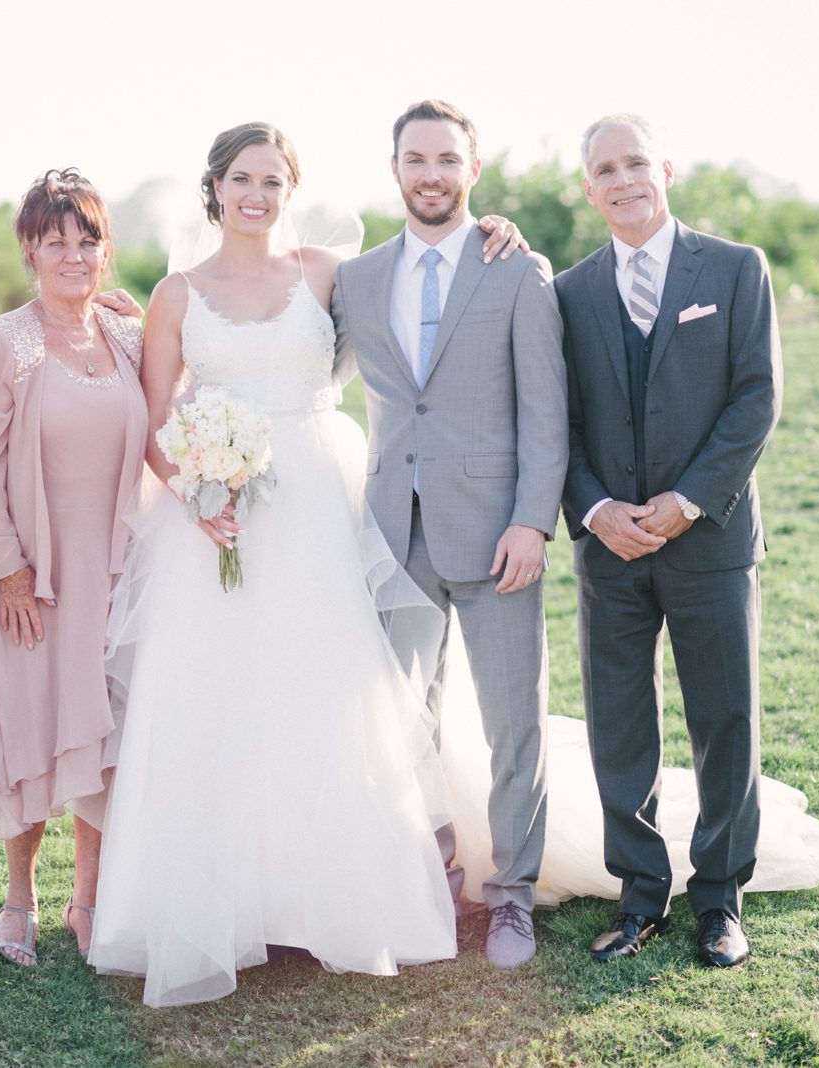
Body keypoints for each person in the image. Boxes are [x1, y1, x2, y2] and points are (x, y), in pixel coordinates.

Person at [86, 122, 529, 1007]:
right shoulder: (176, 295)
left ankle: (328, 897)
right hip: (217, 522)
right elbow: (152, 423)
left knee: (327, 693)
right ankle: (229, 904)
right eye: (241, 179)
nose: (257, 195)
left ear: (294, 189)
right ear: (213, 189)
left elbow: (421, 266)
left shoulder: (329, 274)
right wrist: (195, 496)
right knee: (217, 702)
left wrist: (495, 231)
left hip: (321, 506)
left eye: (273, 180)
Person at [330, 100, 567, 971]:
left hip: (500, 532)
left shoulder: (518, 269)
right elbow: (294, 362)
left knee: (513, 723)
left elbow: (547, 411)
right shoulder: (357, 280)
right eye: (415, 159)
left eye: (446, 160)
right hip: (395, 530)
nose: (430, 174)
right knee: (400, 722)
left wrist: (533, 521)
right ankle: (427, 878)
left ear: (473, 169)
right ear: (394, 168)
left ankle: (510, 899)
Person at [554, 113, 785, 968]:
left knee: (725, 719)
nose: (623, 180)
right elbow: (558, 422)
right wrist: (595, 509)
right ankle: (640, 894)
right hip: (609, 547)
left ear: (667, 170)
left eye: (636, 163)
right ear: (588, 188)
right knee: (620, 725)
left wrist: (686, 503)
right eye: (605, 169)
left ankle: (720, 898)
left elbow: (756, 398)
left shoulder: (732, 268)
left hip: (710, 537)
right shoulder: (569, 292)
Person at [0, 170, 147, 966]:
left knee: (105, 735)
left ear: (105, 250)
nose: (74, 254)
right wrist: (6, 571)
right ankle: (18, 900)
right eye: (56, 240)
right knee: (31, 730)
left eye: (88, 239)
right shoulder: (7, 341)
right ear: (30, 249)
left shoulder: (127, 335)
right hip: (35, 578)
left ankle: (88, 902)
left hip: (118, 573)